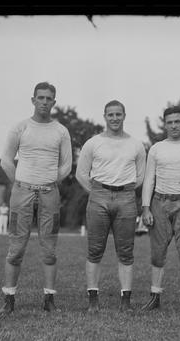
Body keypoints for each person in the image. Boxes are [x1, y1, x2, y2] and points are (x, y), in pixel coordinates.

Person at [0, 82, 72, 314]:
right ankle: (9, 299)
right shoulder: (20, 128)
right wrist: (20, 183)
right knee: (17, 247)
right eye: (40, 98)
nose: (44, 102)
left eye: (49, 98)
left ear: (54, 102)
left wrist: (49, 181)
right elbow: (6, 161)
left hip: (50, 193)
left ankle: (49, 300)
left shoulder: (61, 131)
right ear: (33, 100)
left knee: (49, 249)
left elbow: (67, 164)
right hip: (22, 193)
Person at [76, 100, 146, 313]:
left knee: (126, 252)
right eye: (110, 115)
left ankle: (125, 301)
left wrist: (123, 192)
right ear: (104, 116)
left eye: (118, 114)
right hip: (99, 196)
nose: (114, 118)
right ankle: (93, 300)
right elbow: (81, 173)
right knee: (95, 250)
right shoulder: (93, 143)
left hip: (126, 197)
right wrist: (98, 193)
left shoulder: (136, 144)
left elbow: (141, 175)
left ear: (124, 116)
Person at [139, 106, 180, 313]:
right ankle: (155, 296)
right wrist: (146, 208)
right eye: (170, 122)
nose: (174, 125)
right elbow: (149, 179)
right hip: (160, 201)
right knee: (158, 253)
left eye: (177, 121)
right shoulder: (157, 148)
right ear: (165, 124)